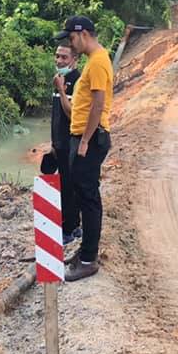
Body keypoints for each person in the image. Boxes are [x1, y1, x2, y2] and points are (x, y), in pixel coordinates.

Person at [54, 15, 113, 282]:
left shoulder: (99, 61)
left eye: (72, 38)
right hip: (81, 136)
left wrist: (86, 140)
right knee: (83, 193)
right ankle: (85, 250)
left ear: (84, 34)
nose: (71, 43)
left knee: (88, 198)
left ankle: (89, 259)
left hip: (90, 138)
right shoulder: (93, 61)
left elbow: (98, 104)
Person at [51, 43, 82, 245]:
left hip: (71, 142)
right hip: (59, 143)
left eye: (64, 57)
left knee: (69, 186)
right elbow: (56, 115)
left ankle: (70, 229)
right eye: (57, 57)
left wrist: (62, 91)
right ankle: (73, 225)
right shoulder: (58, 79)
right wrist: (53, 143)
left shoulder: (77, 81)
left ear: (75, 60)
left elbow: (72, 113)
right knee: (63, 184)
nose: (60, 61)